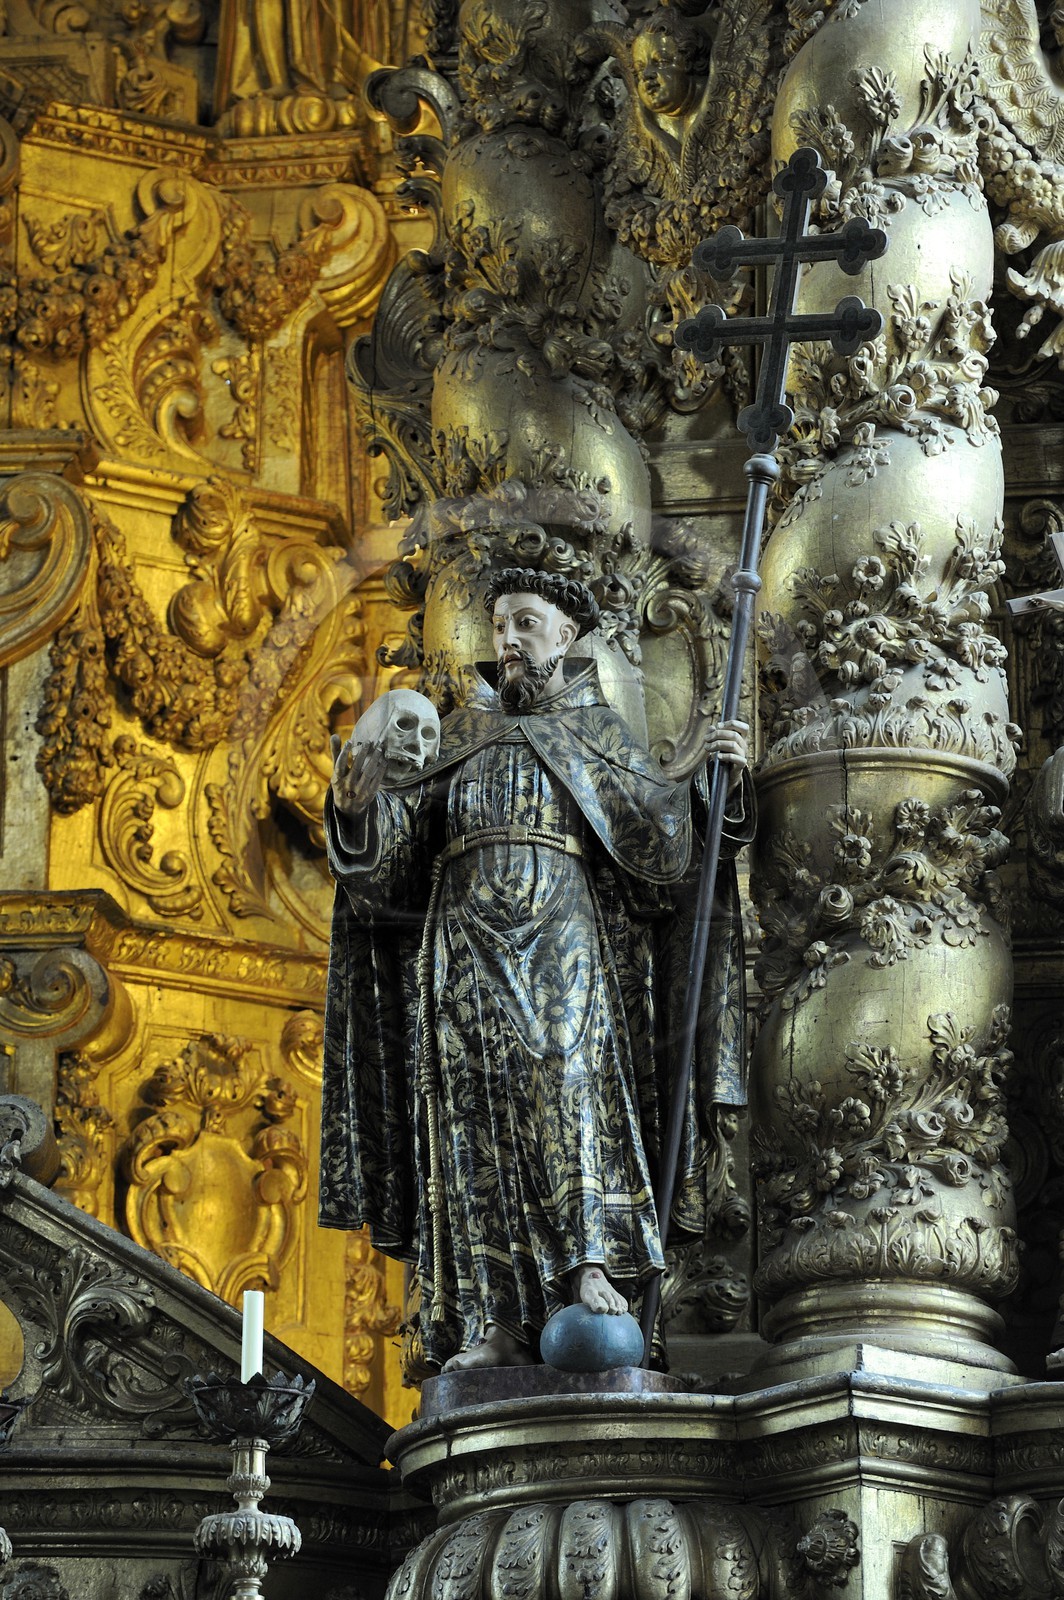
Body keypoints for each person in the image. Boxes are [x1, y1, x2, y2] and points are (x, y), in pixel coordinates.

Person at [319, 568, 751, 1374]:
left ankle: (588, 1264)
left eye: (525, 622)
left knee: (567, 1085)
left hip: (564, 945)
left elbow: (663, 848)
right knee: (470, 1118)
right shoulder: (455, 735)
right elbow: (389, 872)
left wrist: (712, 788)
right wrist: (356, 810)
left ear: (566, 633)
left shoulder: (599, 733)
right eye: (499, 626)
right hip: (460, 957)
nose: (509, 639)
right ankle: (495, 1321)